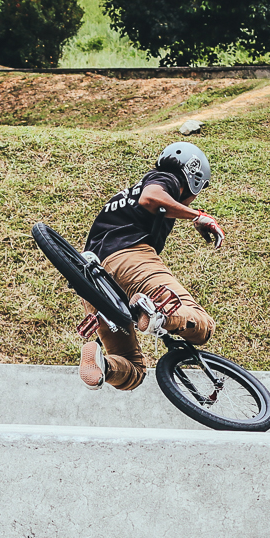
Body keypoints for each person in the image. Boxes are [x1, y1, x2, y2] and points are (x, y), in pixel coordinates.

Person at [77, 141, 226, 391]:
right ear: (194, 177)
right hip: (130, 259)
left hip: (92, 281)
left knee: (132, 368)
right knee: (203, 326)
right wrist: (198, 216)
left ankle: (103, 365)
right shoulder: (167, 179)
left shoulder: (127, 196)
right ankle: (159, 313)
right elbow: (151, 199)